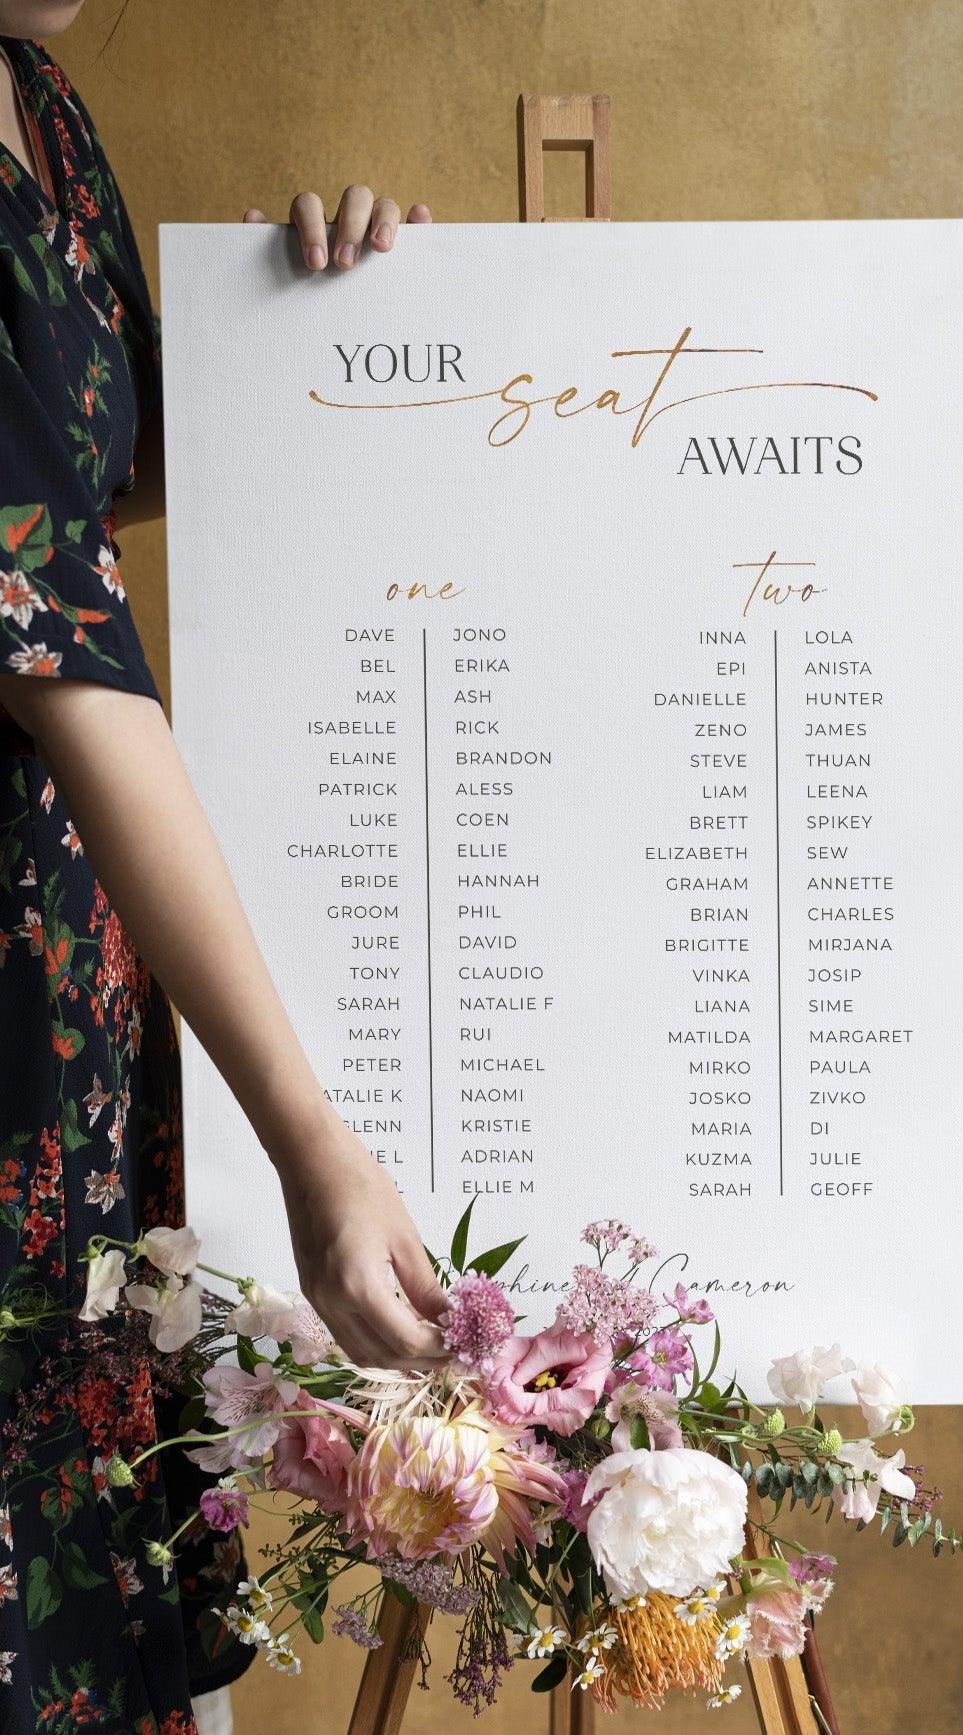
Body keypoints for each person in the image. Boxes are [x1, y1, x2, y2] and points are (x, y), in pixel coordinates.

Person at [0, 5, 447, 1729]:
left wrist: (329, 333)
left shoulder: (36, 96)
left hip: (74, 988)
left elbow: (88, 473)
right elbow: (64, 666)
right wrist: (313, 1141)